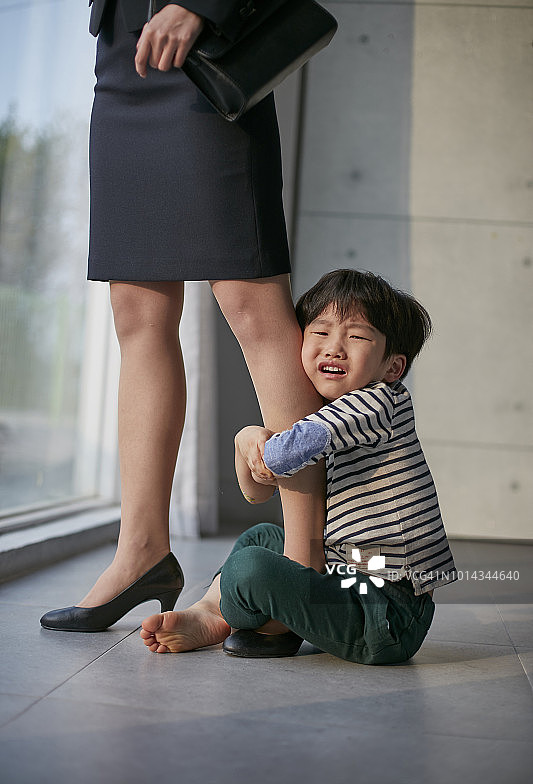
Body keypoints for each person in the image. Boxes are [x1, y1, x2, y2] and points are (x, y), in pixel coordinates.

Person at [39, 0, 326, 633]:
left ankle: (303, 565)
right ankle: (141, 550)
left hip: (205, 46)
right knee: (136, 317)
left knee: (253, 306)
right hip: (121, 55)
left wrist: (202, 0)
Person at [139, 269, 457, 663]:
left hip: (383, 611)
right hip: (350, 573)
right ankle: (211, 611)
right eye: (319, 332)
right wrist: (248, 441)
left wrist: (256, 446)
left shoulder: (377, 403)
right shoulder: (337, 411)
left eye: (356, 337)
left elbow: (285, 456)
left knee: (250, 569)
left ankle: (254, 618)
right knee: (260, 539)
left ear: (392, 368)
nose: (334, 348)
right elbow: (255, 494)